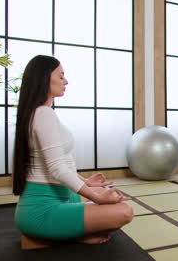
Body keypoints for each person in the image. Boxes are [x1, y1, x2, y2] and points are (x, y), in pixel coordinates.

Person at [13, 55, 134, 244]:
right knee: (124, 211)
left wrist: (86, 182)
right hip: (42, 210)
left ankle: (75, 226)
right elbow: (57, 168)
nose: (66, 81)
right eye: (61, 76)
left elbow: (58, 161)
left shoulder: (39, 113)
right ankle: (78, 234)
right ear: (45, 78)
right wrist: (96, 197)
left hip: (61, 197)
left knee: (111, 194)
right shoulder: (44, 114)